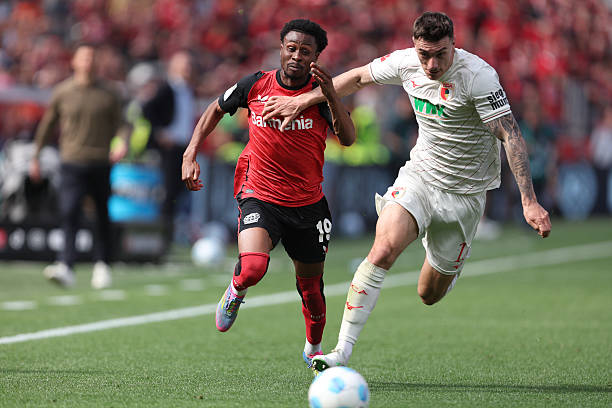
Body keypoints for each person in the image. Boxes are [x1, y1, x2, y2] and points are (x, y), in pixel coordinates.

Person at [262, 11, 552, 372]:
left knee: (428, 294)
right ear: (415, 47)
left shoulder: (479, 77)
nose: (431, 65)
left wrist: (529, 201)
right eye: (424, 54)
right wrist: (302, 100)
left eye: (440, 55)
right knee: (382, 249)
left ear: (454, 46)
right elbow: (357, 77)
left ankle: (446, 262)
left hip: (464, 194)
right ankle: (341, 352)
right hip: (421, 176)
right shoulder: (404, 62)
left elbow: (510, 133)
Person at [181, 19, 355, 369]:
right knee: (254, 267)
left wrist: (331, 95)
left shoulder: (319, 96)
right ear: (281, 48)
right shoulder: (255, 84)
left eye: (305, 51)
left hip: (308, 203)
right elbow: (216, 108)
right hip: (260, 192)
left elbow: (348, 138)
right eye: (291, 48)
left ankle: (313, 348)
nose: (296, 56)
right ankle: (236, 289)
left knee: (311, 289)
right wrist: (190, 153)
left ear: (316, 57)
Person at [29, 43, 126, 289]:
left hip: (100, 161)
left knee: (101, 213)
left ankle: (102, 264)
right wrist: (36, 156)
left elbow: (123, 124)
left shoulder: (109, 93)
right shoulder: (63, 92)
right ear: (74, 62)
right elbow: (48, 125)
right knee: (69, 211)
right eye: (83, 58)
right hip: (71, 161)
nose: (88, 62)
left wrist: (121, 143)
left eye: (92, 58)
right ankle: (66, 265)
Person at [143, 51, 196, 242]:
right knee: (168, 190)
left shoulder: (188, 90)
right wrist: (160, 132)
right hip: (170, 148)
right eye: (184, 64)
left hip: (183, 147)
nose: (188, 68)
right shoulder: (166, 88)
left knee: (179, 191)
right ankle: (162, 235)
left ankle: (170, 233)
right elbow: (147, 109)